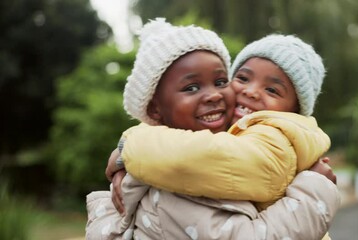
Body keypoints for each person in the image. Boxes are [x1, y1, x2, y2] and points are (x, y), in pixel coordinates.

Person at [86, 18, 339, 240]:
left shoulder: (274, 138)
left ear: (294, 111)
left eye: (272, 90)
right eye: (241, 78)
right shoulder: (227, 134)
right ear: (155, 111)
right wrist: (126, 150)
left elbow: (201, 158)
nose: (250, 91)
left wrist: (314, 190)